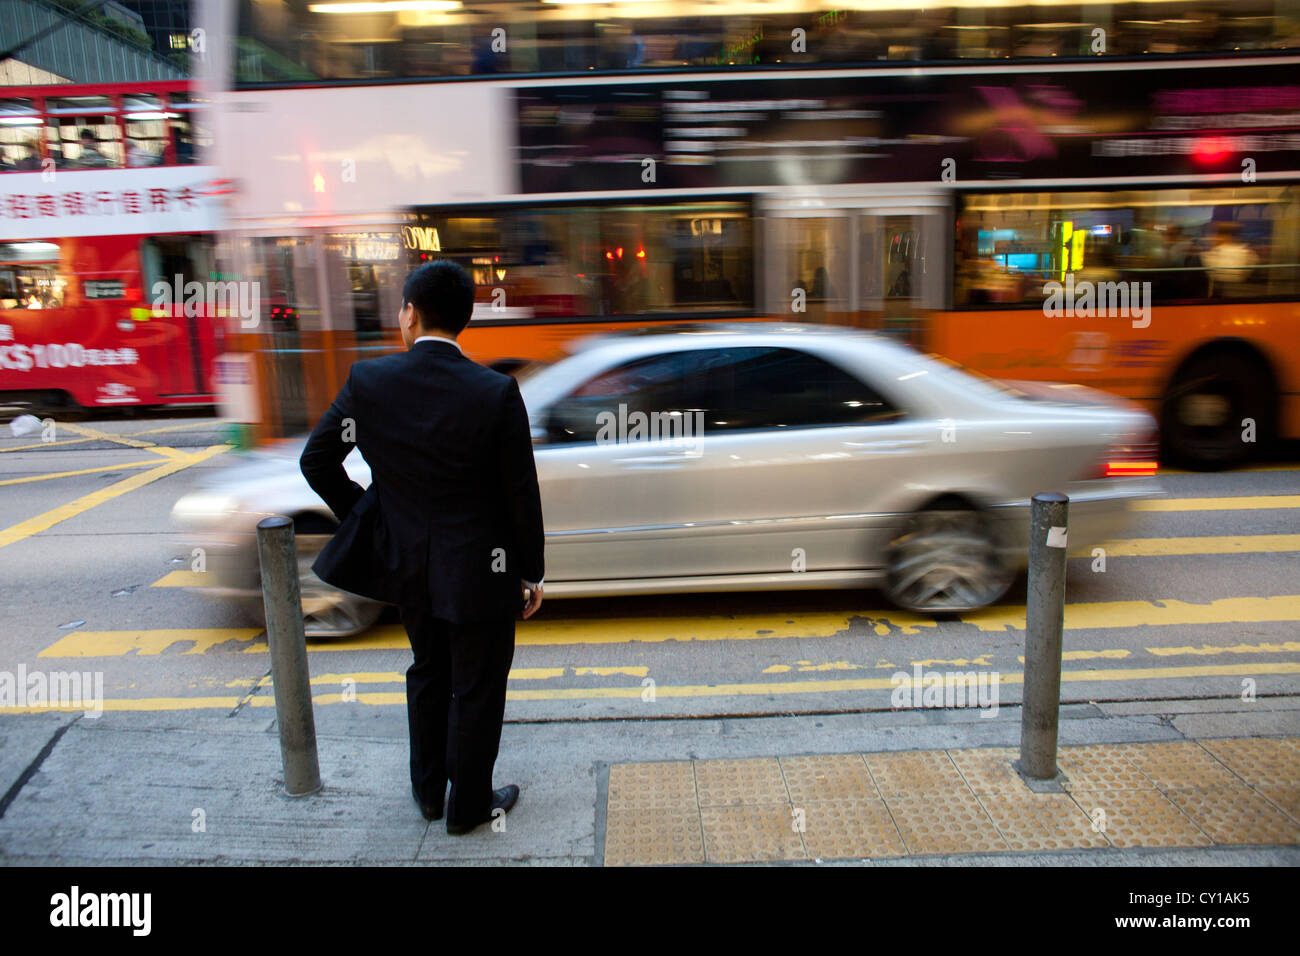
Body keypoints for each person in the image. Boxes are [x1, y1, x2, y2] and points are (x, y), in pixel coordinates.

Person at [300, 260, 546, 835]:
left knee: (428, 673)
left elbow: (318, 461)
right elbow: (520, 494)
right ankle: (468, 808)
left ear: (410, 314)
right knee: (478, 687)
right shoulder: (495, 392)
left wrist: (374, 519)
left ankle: (430, 794)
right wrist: (529, 572)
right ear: (464, 322)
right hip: (482, 572)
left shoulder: (370, 383)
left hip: (407, 566)